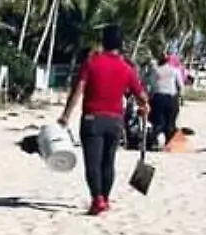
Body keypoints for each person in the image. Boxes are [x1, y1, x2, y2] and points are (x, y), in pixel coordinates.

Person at [57, 24, 148, 215]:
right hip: (115, 121)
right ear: (120, 44)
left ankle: (97, 198)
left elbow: (78, 90)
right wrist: (144, 106)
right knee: (108, 162)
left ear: (103, 41)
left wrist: (66, 115)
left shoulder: (91, 62)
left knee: (93, 163)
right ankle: (105, 199)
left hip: (92, 119)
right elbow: (141, 96)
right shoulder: (127, 68)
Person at [146, 52, 186, 149]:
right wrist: (181, 98)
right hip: (171, 98)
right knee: (170, 123)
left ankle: (154, 142)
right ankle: (169, 143)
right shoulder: (174, 70)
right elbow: (181, 86)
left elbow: (149, 85)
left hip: (158, 98)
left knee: (157, 122)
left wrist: (149, 97)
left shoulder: (155, 70)